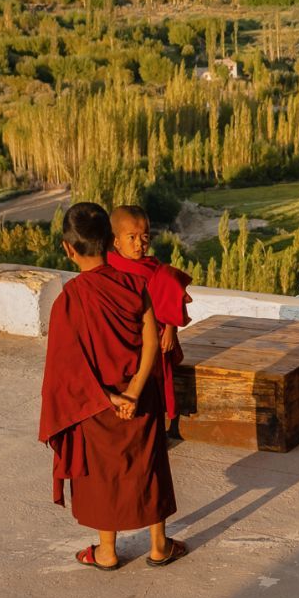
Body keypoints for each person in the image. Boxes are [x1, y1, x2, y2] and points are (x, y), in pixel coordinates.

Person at [39, 202, 187, 570]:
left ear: (67, 248)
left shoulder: (68, 301)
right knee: (149, 466)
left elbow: (66, 369)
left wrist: (110, 397)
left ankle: (106, 552)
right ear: (110, 242)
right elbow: (151, 342)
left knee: (103, 474)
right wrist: (135, 390)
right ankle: (158, 545)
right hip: (141, 398)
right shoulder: (135, 285)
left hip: (98, 404)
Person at [106, 204, 193, 424]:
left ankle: (161, 422)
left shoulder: (154, 268)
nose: (140, 244)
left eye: (144, 237)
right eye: (132, 238)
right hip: (124, 337)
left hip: (154, 337)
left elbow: (171, 293)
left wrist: (171, 329)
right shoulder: (111, 267)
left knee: (157, 383)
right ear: (116, 241)